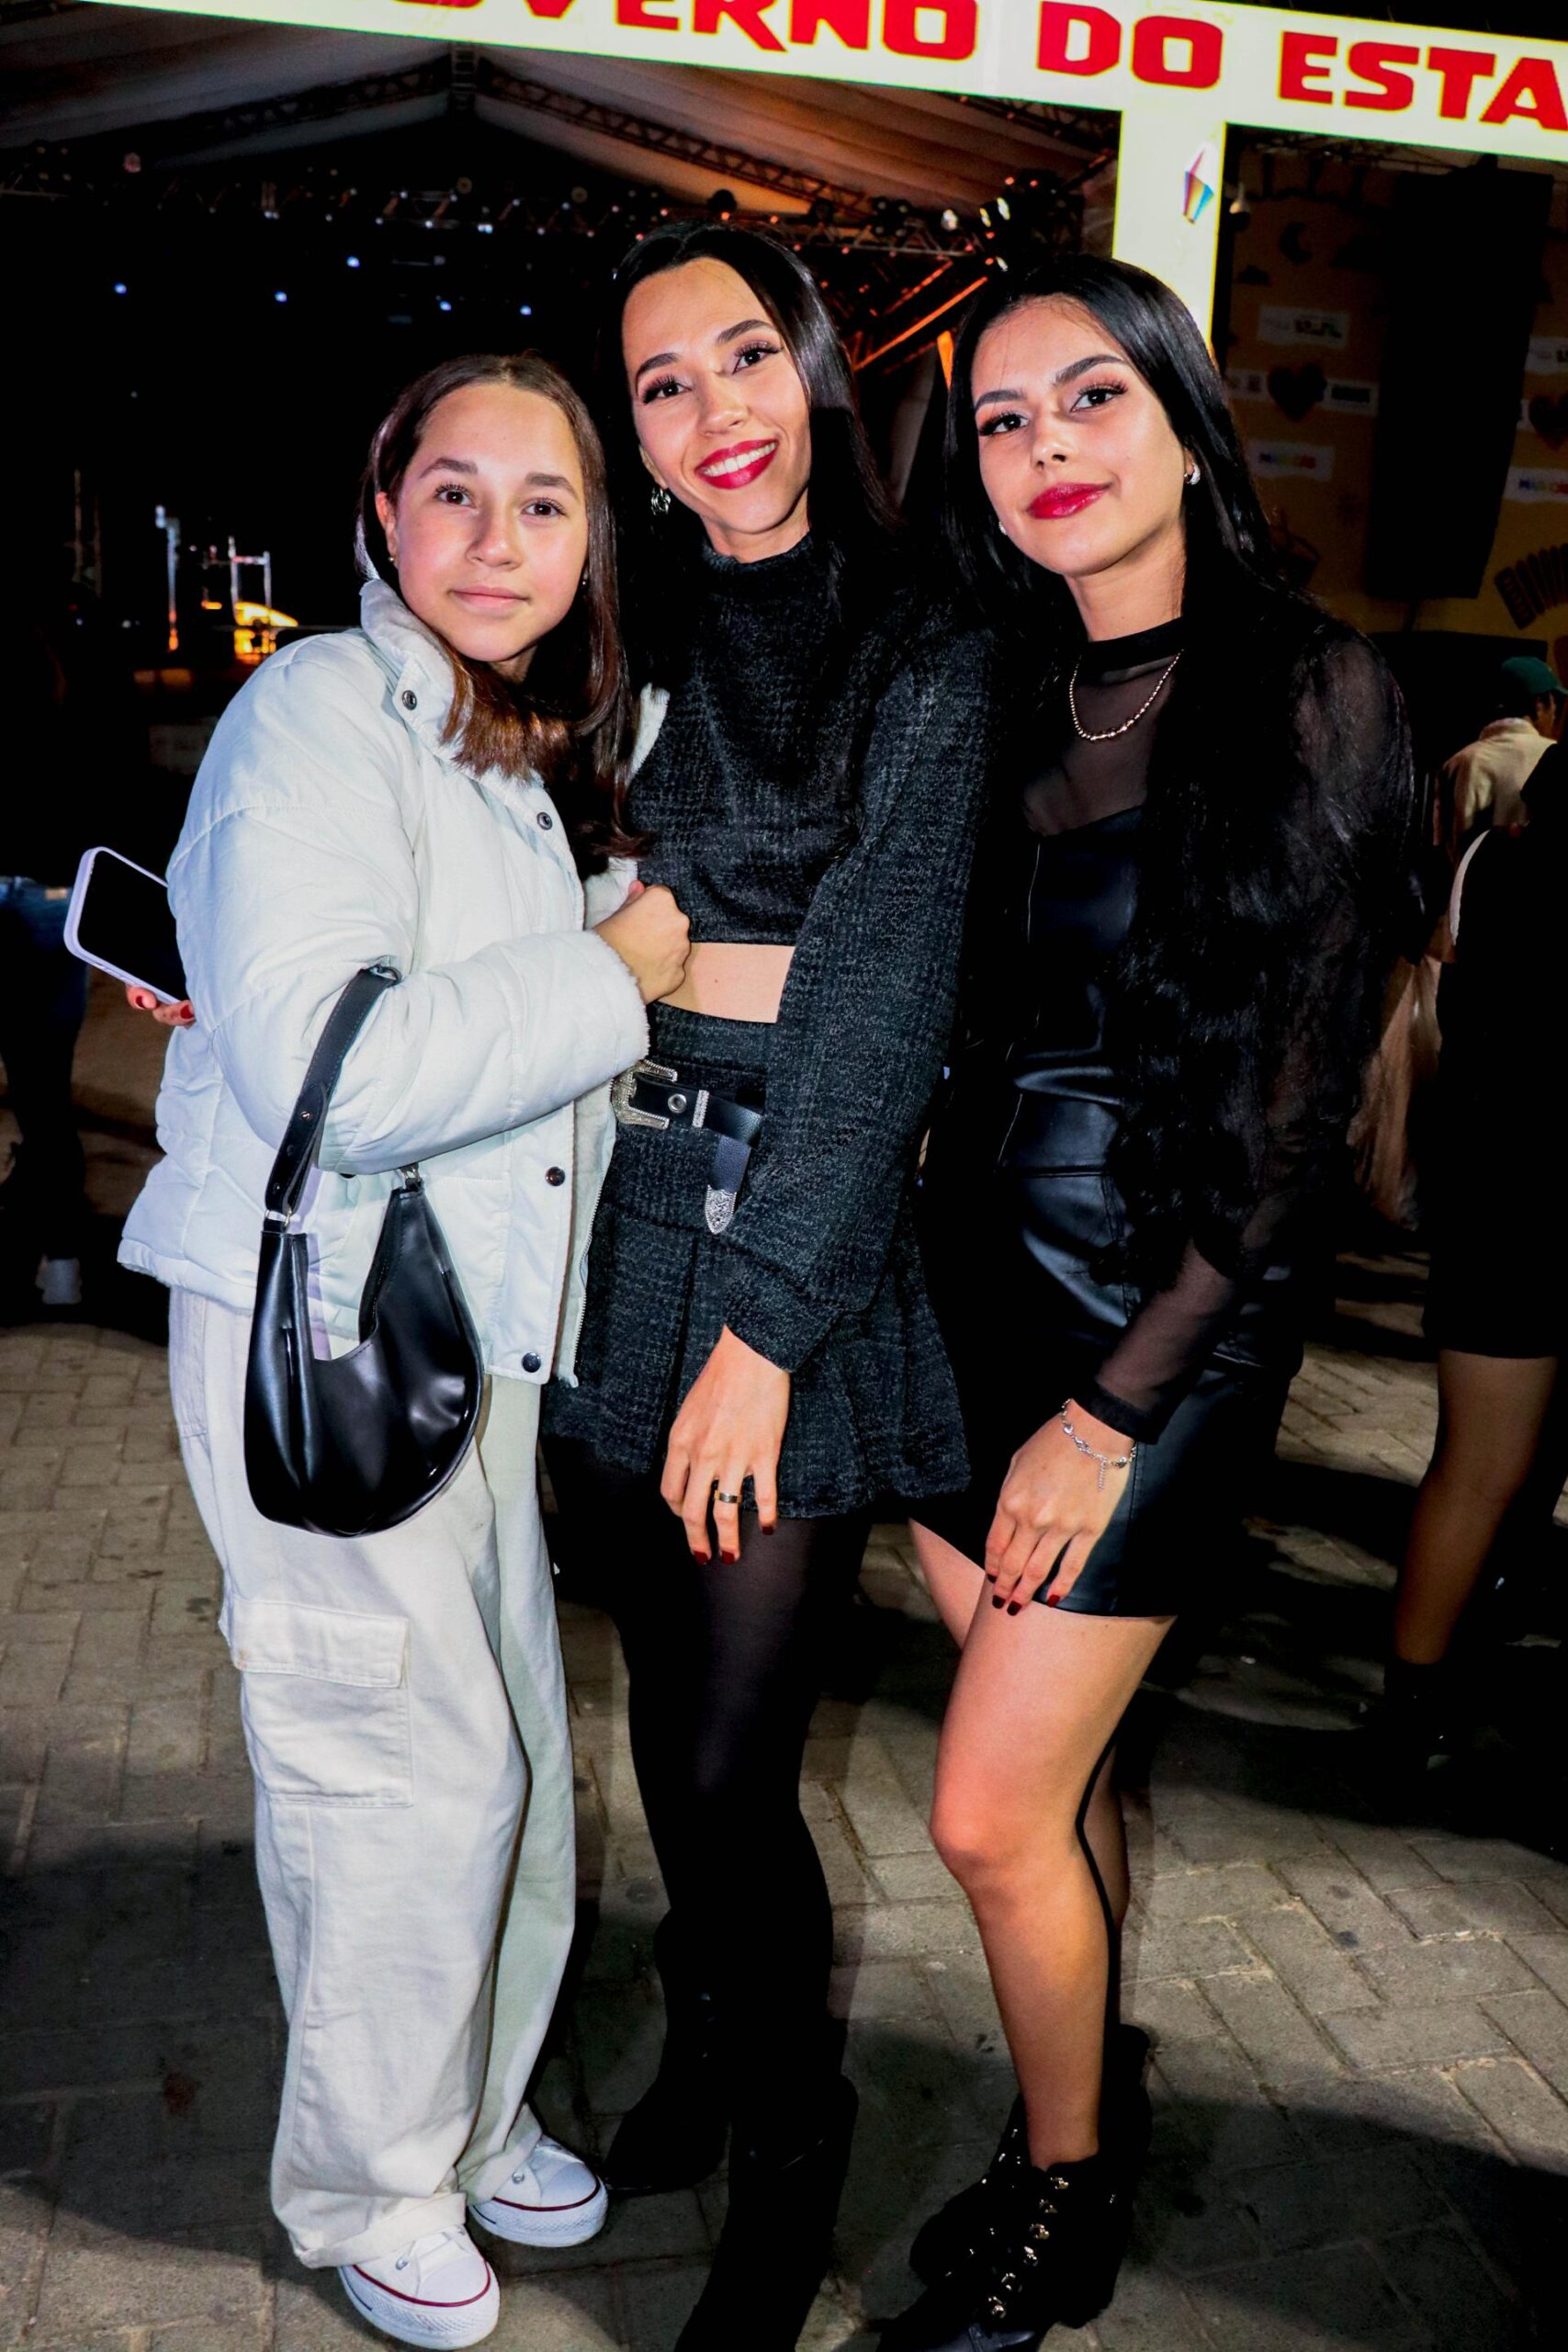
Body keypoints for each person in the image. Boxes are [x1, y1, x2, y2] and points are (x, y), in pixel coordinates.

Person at [117, 353, 690, 2348]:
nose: (496, 540)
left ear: (592, 543)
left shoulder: (511, 736)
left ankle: (464, 2108)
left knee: (505, 1742)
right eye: (455, 491)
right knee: (397, 1768)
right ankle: (372, 2181)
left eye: (545, 503)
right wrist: (611, 972)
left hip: (469, 1333)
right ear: (382, 509)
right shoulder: (314, 714)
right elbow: (344, 1072)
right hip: (326, 1319)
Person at [884, 257, 1415, 2351]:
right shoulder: (1004, 687)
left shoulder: (1309, 691)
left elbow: (1289, 1125)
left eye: (1087, 397)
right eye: (1000, 420)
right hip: (964, 1301)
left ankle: (1069, 2197)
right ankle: (1068, 2100)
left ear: (1186, 423)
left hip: (1157, 1329)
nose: (1043, 448)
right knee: (1066, 1781)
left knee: (981, 1808)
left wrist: (1108, 1410)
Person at [538, 222, 997, 2350]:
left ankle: (792, 2159)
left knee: (734, 1759)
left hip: (785, 1230)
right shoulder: (614, 633)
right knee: (659, 1721)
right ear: (631, 438)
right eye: (661, 383)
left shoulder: (923, 634)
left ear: (810, 365)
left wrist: (761, 1327)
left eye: (740, 354)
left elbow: (880, 997)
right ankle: (712, 2041)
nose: (711, 408)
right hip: (620, 1209)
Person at [1372, 740, 1568, 1792]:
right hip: (1534, 1200)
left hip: (1494, 1197)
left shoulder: (1491, 860)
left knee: (1472, 1468)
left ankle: (1410, 1707)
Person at [1437, 653, 1562, 863]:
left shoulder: (1456, 763)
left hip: (1464, 882)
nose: (1556, 713)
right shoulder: (1555, 758)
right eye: (1554, 701)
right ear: (1539, 704)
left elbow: (1442, 849)